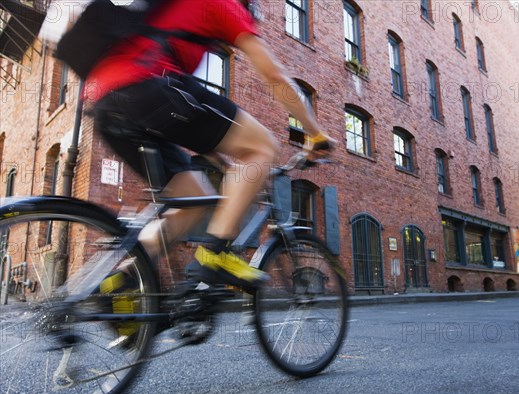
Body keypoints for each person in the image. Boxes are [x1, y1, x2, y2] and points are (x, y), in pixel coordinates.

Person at [87, 0, 335, 292]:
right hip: (148, 87)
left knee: (193, 200)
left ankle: (119, 286)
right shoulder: (223, 4)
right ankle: (217, 254)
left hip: (107, 105)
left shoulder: (175, 9)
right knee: (264, 146)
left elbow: (185, 118)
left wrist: (214, 154)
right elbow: (275, 75)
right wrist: (314, 132)